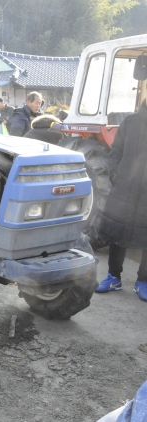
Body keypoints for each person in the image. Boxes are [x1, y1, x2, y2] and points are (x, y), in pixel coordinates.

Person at [95, 99, 147, 302]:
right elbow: (115, 151)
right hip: (124, 189)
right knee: (118, 232)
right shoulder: (130, 122)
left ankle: (143, 281)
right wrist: (116, 175)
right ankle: (113, 277)